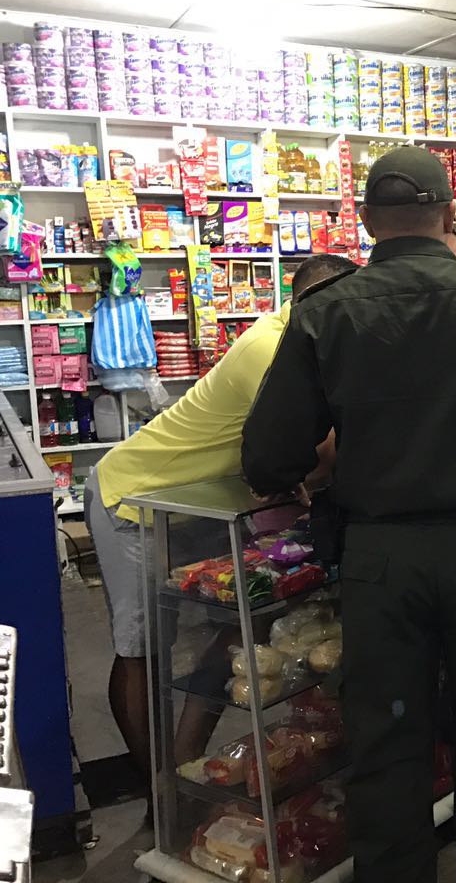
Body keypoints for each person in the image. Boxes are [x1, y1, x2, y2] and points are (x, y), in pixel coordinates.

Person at [241, 146, 456, 883]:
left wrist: (320, 476)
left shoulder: (324, 311)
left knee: (387, 743)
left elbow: (268, 454)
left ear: (367, 220)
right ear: (450, 214)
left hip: (381, 558)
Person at [84, 253, 354, 782]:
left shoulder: (314, 345)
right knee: (144, 649)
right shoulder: (272, 347)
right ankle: (159, 788)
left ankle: (187, 763)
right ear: (314, 303)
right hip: (138, 500)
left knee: (234, 628)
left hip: (205, 505)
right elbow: (320, 450)